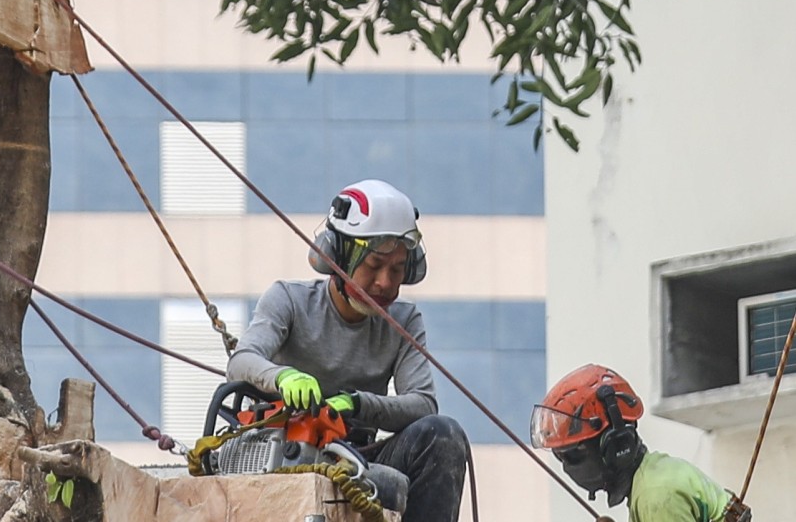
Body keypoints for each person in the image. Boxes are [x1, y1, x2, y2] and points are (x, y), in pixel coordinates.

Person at [225, 178, 470, 522]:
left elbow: (422, 404)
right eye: (374, 266)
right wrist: (283, 377)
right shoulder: (289, 301)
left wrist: (357, 404)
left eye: (397, 269)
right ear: (338, 258)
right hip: (287, 457)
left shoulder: (404, 320)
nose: (385, 282)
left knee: (442, 436)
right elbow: (242, 362)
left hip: (361, 457)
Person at [530, 363, 752, 522]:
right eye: (560, 458)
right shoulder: (651, 478)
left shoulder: (655, 494)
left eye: (573, 456)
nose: (567, 468)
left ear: (616, 446)